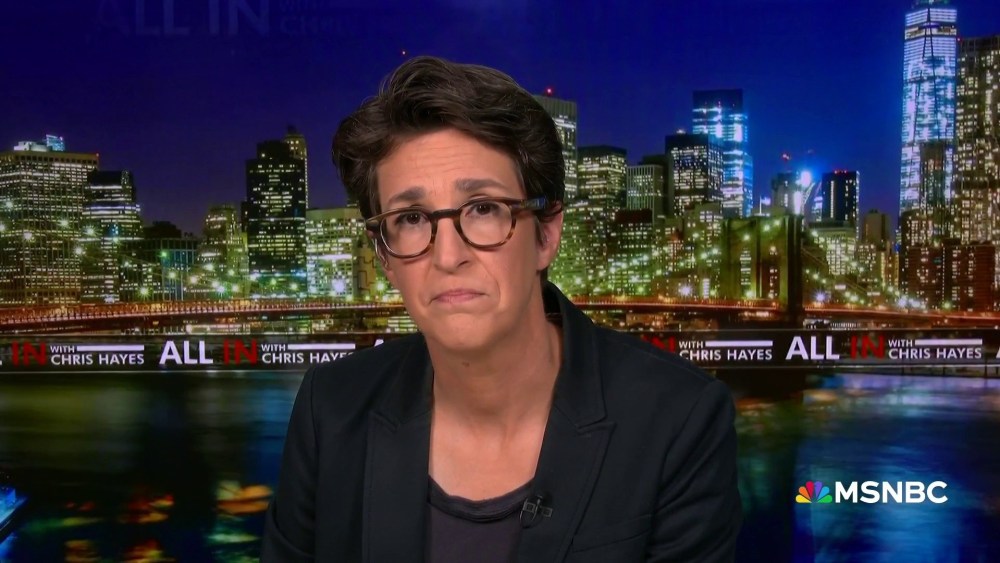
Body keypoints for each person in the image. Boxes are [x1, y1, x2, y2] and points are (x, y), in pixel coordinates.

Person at [261, 55, 742, 562]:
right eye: (411, 219)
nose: (448, 256)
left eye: (483, 209)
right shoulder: (330, 409)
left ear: (546, 234)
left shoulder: (680, 419)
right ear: (384, 257)